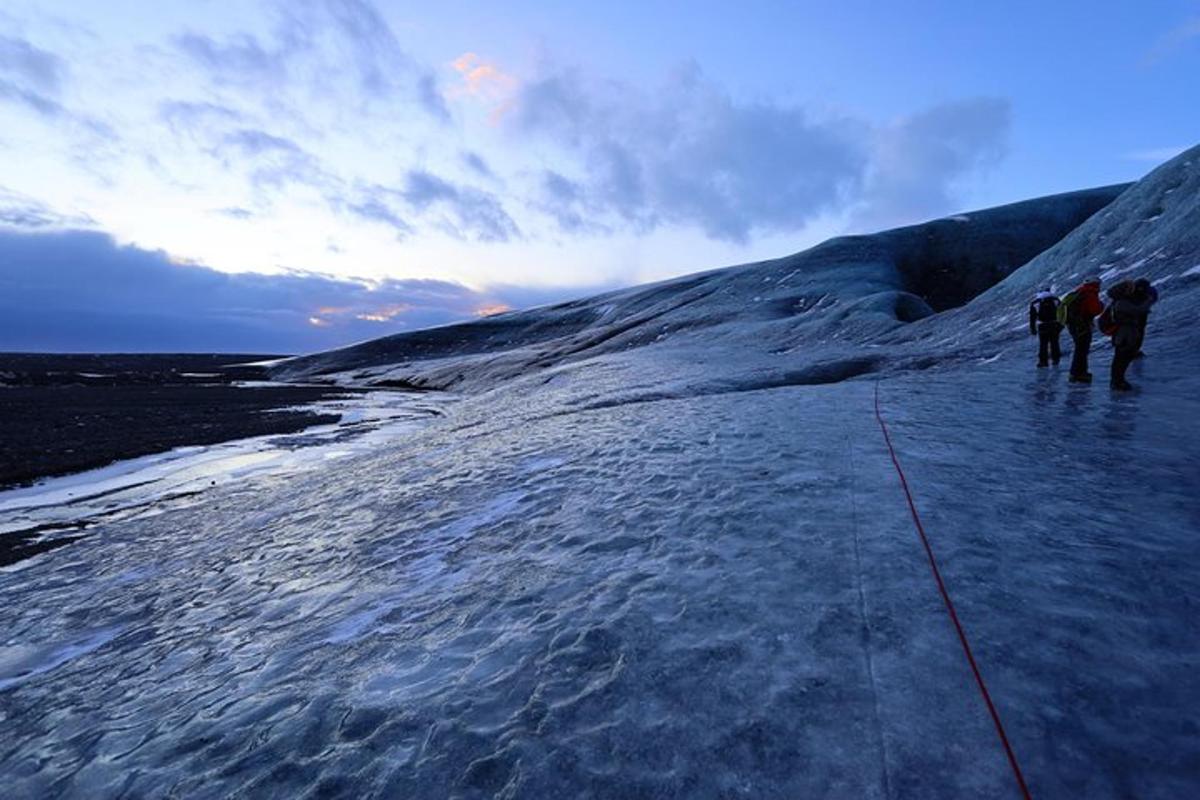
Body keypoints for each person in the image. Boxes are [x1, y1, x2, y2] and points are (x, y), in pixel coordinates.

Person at [1106, 280, 1155, 391]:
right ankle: (1117, 382)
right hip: (1125, 333)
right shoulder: (1122, 302)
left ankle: (1117, 381)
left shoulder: (1118, 301)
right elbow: (1138, 310)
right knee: (1121, 358)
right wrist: (1148, 301)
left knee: (1120, 358)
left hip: (1122, 333)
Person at [1065, 277, 1104, 384]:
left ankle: (1078, 373)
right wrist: (1101, 305)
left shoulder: (1079, 291)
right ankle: (1078, 374)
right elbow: (1095, 310)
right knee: (1082, 349)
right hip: (1082, 325)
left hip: (1073, 325)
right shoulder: (1090, 293)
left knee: (1079, 348)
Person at [1029, 289, 1062, 367]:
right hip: (1054, 324)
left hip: (1042, 325)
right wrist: (1061, 324)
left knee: (1043, 344)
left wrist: (1033, 329)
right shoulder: (1055, 300)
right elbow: (1062, 312)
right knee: (1055, 342)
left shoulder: (1035, 303)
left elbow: (1032, 317)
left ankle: (1043, 362)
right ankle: (1056, 359)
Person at [1131, 278, 1159, 358]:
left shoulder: (1135, 291)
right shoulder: (1149, 291)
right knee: (1138, 331)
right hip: (1140, 313)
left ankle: (1133, 350)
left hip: (1138, 313)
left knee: (1137, 331)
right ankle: (1134, 350)